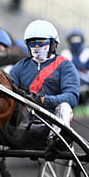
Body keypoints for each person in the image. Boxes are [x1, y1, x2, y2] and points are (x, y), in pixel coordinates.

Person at [9, 20, 80, 157]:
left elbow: (72, 96)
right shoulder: (19, 67)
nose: (36, 47)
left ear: (53, 44)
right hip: (24, 123)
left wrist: (43, 100)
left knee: (64, 106)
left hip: (52, 122)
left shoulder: (65, 66)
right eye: (32, 43)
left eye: (41, 43)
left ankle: (59, 141)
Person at [61, 28, 89, 104]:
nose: (75, 43)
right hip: (69, 87)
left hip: (87, 86)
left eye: (77, 40)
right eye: (73, 40)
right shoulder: (65, 55)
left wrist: (86, 76)